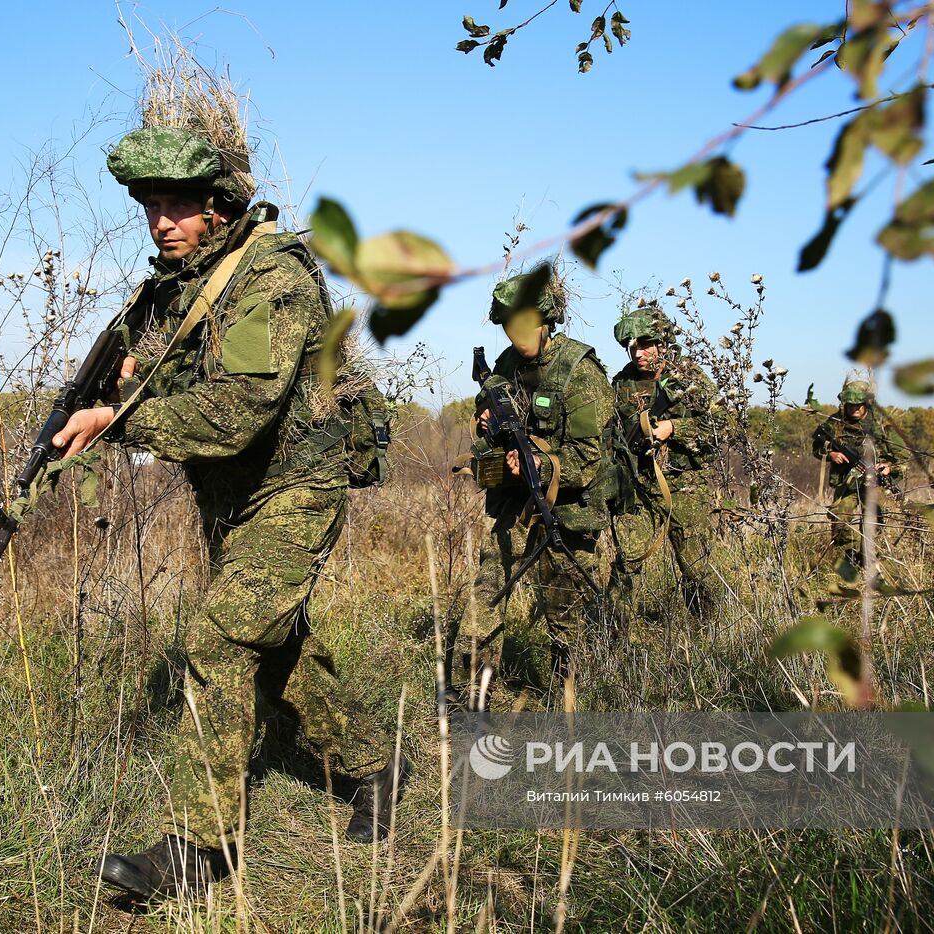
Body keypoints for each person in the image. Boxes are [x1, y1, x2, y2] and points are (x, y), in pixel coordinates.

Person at [51, 125, 406, 901]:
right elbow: (182, 379)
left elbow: (239, 410)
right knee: (277, 653)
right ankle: (375, 764)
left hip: (296, 488)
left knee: (218, 635)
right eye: (152, 206)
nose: (162, 222)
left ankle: (198, 849)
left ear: (219, 208)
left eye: (179, 205)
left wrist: (122, 422)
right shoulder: (182, 286)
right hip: (235, 496)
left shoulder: (272, 279)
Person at [449, 270, 614, 709]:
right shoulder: (504, 364)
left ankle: (568, 699)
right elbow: (489, 419)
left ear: (547, 320)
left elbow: (588, 457)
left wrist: (540, 463)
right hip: (515, 501)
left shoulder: (581, 372)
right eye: (509, 326)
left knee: (564, 607)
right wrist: (485, 425)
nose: (517, 335)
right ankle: (471, 697)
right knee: (487, 588)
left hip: (568, 505)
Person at [606, 306, 718, 622]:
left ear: (663, 342)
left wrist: (673, 429)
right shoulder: (622, 383)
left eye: (644, 344)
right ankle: (611, 641)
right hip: (639, 486)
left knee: (695, 566)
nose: (637, 353)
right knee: (629, 559)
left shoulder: (689, 377)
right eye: (631, 346)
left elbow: (722, 426)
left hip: (685, 486)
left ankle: (705, 634)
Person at [810, 373, 908, 568]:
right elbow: (817, 446)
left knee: (873, 522)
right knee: (839, 517)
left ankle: (868, 561)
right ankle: (850, 556)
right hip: (846, 482)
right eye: (851, 404)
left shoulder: (881, 423)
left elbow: (902, 455)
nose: (854, 408)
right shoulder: (835, 422)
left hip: (873, 483)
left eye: (859, 404)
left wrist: (888, 467)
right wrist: (831, 455)